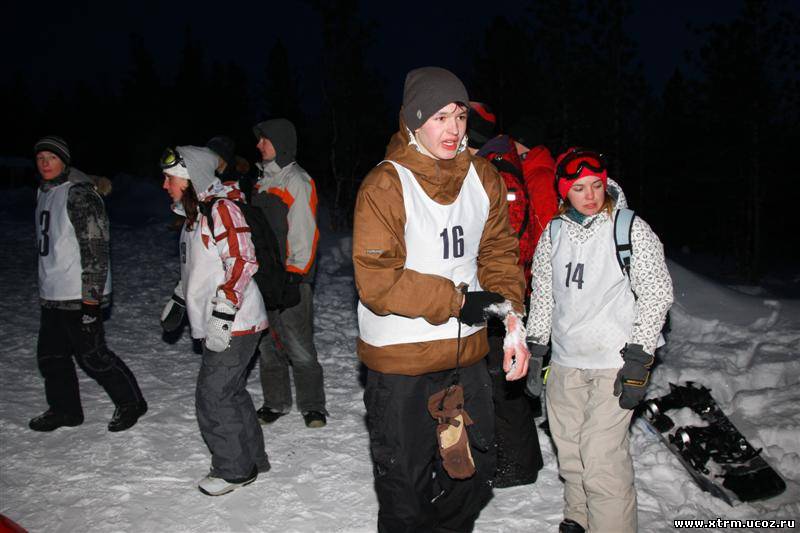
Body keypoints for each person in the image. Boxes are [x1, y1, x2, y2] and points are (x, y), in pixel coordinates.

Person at [353, 67, 529, 532]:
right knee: (405, 489)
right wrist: (458, 301)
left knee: (472, 473)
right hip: (402, 363)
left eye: (460, 115)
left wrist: (511, 314)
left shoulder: (484, 176)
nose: (453, 129)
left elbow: (498, 251)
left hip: (465, 355)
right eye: (439, 117)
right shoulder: (385, 185)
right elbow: (378, 280)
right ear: (414, 120)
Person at [525, 147, 673, 533]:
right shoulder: (553, 233)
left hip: (614, 363)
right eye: (578, 188)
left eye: (595, 185)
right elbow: (544, 293)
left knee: (601, 458)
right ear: (564, 192)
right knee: (572, 452)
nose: (590, 195)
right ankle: (579, 518)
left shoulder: (628, 228)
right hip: (565, 363)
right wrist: (536, 347)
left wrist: (639, 358)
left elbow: (656, 294)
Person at [159, 145, 270, 496]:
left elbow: (242, 260)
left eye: (170, 178)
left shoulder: (221, 209)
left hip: (236, 320)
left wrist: (223, 311)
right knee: (230, 391)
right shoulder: (195, 217)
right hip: (223, 320)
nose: (165, 185)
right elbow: (199, 268)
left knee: (213, 395)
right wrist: (180, 298)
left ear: (191, 178)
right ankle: (252, 459)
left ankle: (234, 470)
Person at [30, 135, 147, 433]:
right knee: (51, 357)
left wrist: (91, 300)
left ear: (65, 161)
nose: (45, 163)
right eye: (40, 158)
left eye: (51, 158)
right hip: (53, 293)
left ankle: (131, 403)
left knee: (92, 356)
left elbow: (96, 248)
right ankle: (65, 410)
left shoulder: (80, 194)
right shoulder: (45, 191)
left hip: (79, 293)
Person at [466, 102, 544, 489]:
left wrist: (498, 290)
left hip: (500, 290)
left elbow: (508, 238)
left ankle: (519, 465)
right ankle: (514, 457)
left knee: (501, 378)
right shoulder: (492, 161)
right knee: (495, 376)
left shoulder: (497, 167)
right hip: (494, 287)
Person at [251, 118, 327, 428]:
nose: (259, 145)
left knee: (299, 345)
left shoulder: (297, 180)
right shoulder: (262, 180)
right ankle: (276, 402)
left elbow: (304, 229)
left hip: (291, 276)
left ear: (280, 143)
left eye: (264, 139)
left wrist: (296, 273)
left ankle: (313, 406)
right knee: (268, 344)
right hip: (264, 276)